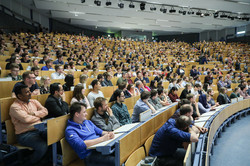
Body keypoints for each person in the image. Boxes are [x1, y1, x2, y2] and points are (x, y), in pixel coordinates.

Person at [9, 84, 49, 165]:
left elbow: (45, 111)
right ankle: (29, 163)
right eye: (27, 92)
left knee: (53, 136)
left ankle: (45, 160)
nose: (30, 93)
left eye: (29, 91)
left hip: (39, 128)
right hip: (25, 134)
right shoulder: (14, 107)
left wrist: (34, 114)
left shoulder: (34, 101)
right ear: (20, 96)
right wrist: (39, 117)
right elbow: (26, 119)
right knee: (42, 146)